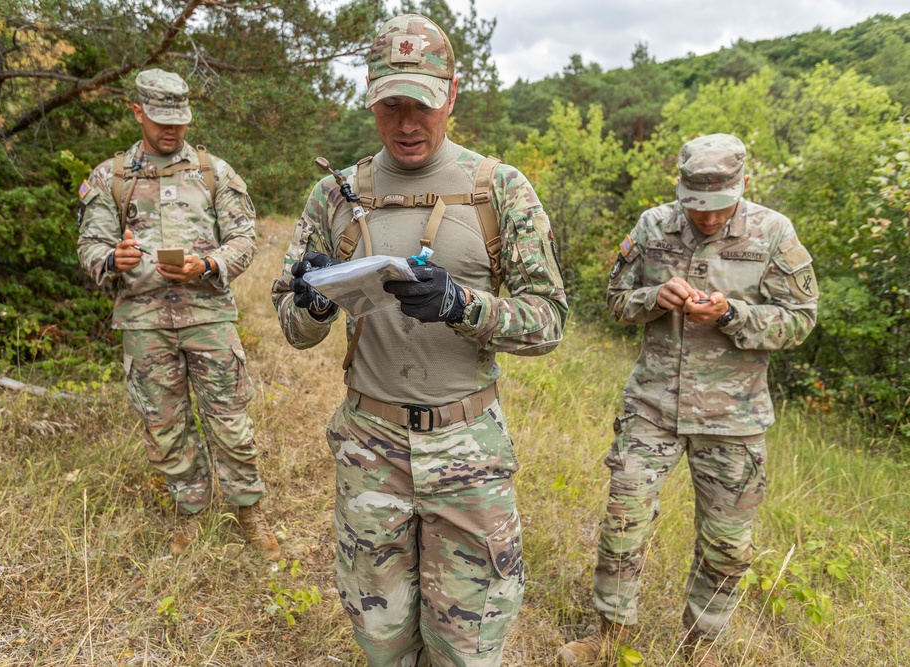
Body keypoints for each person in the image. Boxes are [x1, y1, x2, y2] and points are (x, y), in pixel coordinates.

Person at [271, 14, 567, 666]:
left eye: (422, 105)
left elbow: (548, 319)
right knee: (382, 641)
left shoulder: (499, 189)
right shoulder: (336, 197)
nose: (407, 123)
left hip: (469, 452)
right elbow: (290, 327)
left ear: (452, 95)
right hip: (369, 447)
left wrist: (463, 305)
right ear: (371, 98)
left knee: (465, 646)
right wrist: (314, 301)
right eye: (391, 105)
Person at [559, 133, 818, 667]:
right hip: (653, 405)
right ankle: (606, 634)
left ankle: (700, 645)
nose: (705, 218)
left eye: (718, 207)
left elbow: (801, 320)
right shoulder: (653, 226)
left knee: (726, 542)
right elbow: (613, 300)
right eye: (695, 206)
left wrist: (732, 315)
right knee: (624, 520)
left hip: (734, 416)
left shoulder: (773, 233)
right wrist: (653, 299)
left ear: (744, 185)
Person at [77, 68, 280, 560]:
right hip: (144, 324)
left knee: (229, 420)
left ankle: (249, 511)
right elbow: (90, 245)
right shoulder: (111, 177)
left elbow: (243, 241)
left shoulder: (214, 173)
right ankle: (191, 511)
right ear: (137, 112)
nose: (172, 131)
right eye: (161, 120)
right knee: (164, 425)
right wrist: (111, 261)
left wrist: (207, 263)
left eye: (180, 121)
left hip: (208, 317)